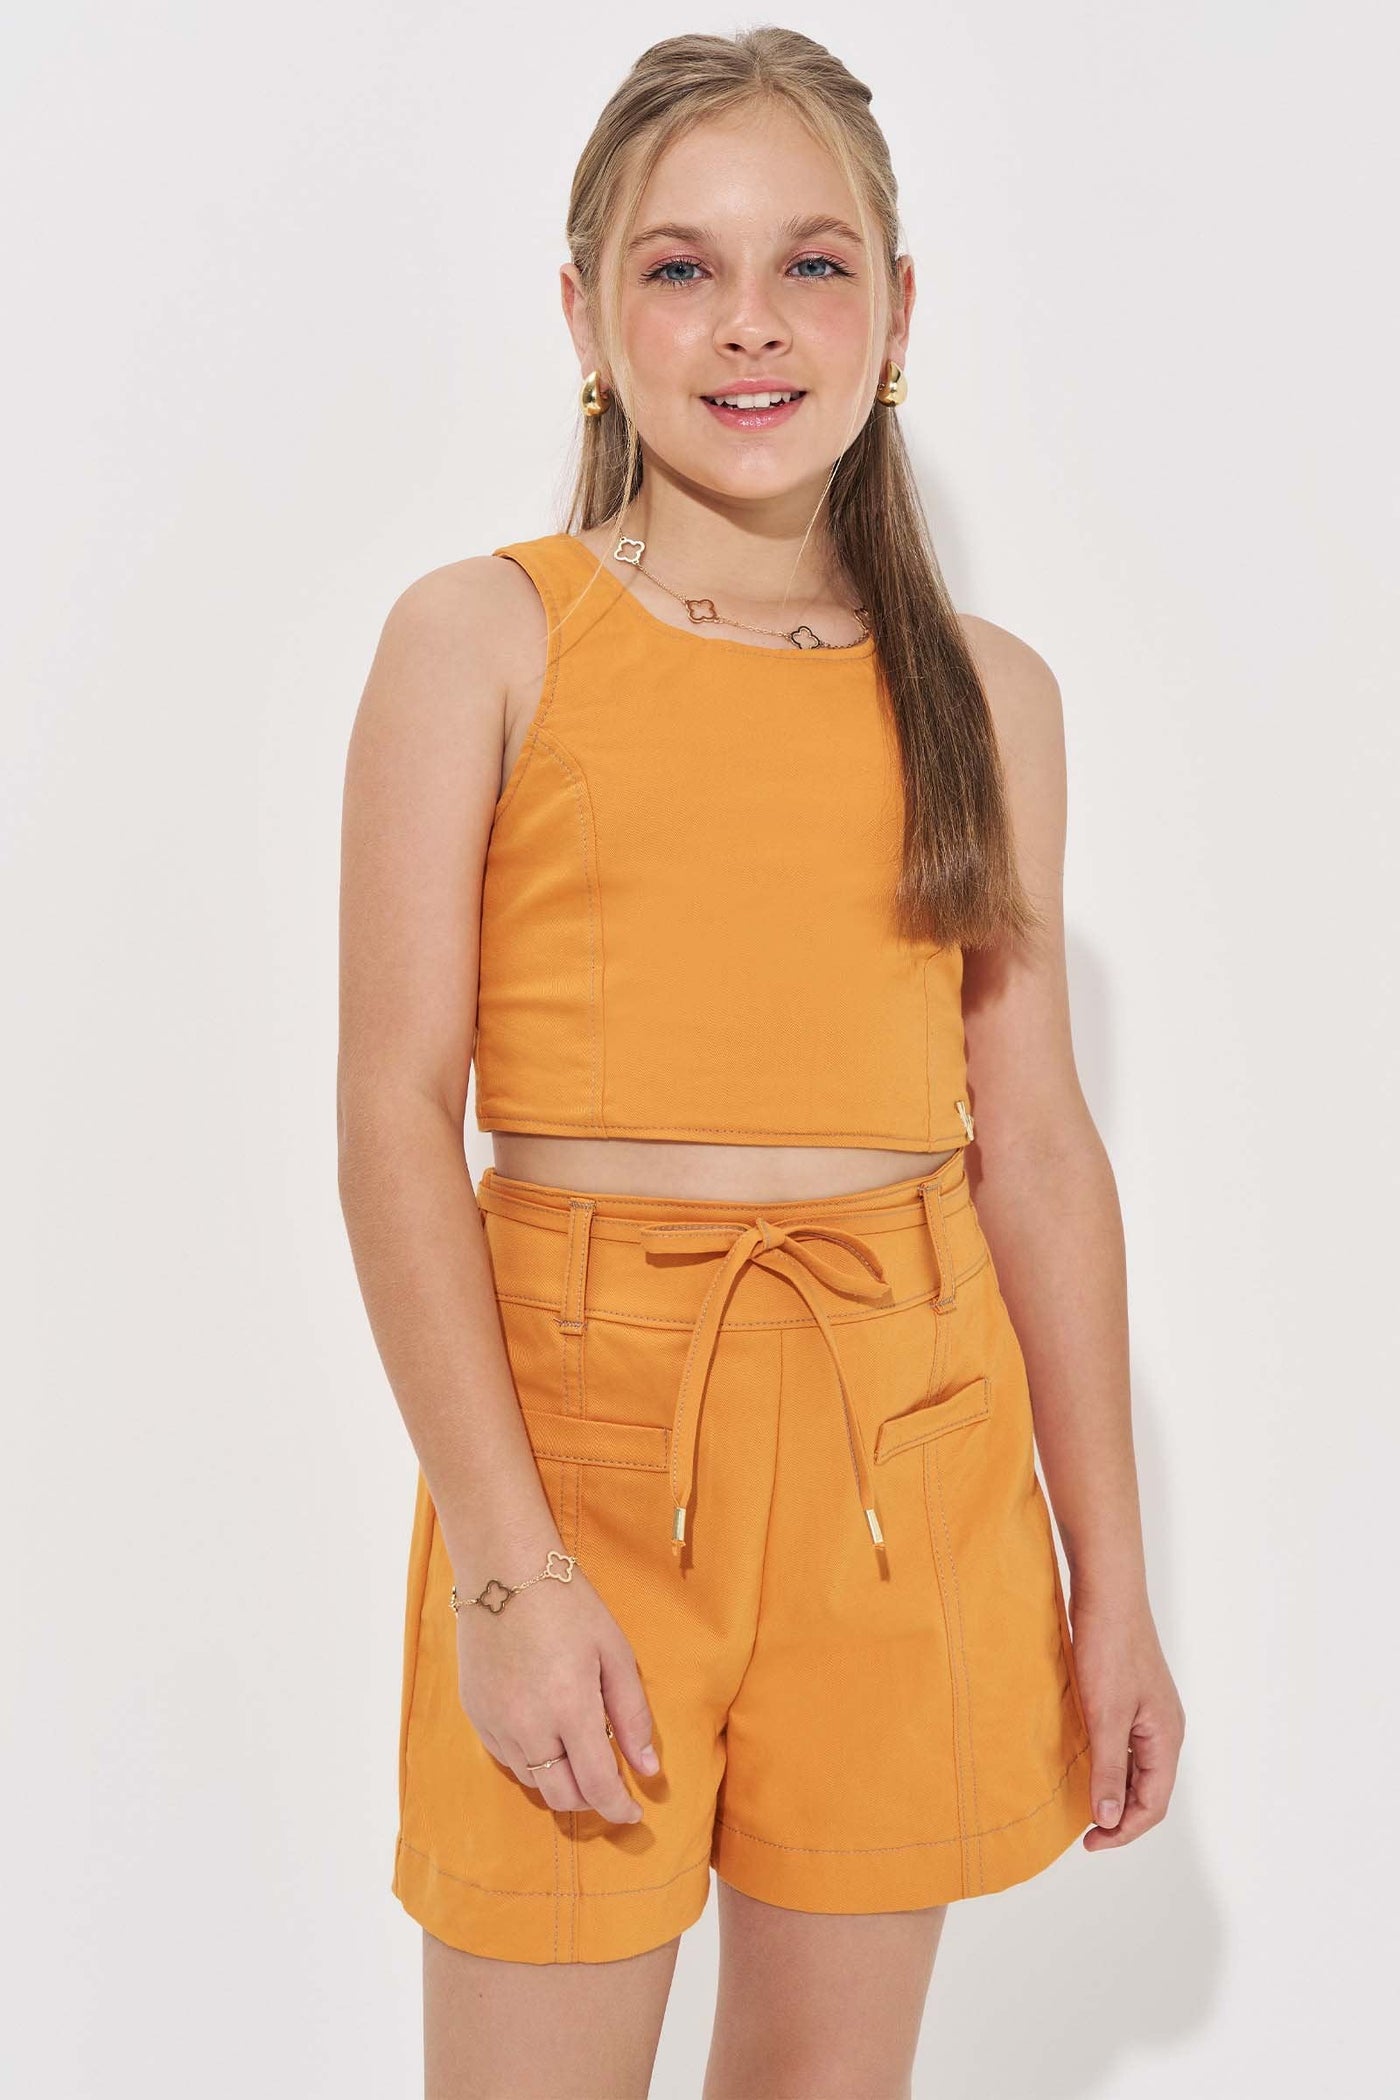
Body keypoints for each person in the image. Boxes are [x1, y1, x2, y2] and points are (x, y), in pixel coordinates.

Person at [337, 27, 1185, 2099]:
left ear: (897, 313)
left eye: (812, 263)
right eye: (679, 267)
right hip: (577, 1453)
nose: (750, 322)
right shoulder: (484, 639)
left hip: (908, 1454)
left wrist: (1114, 1587)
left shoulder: (985, 693)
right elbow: (389, 1116)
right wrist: (508, 1571)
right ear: (582, 314)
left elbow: (1036, 1150)